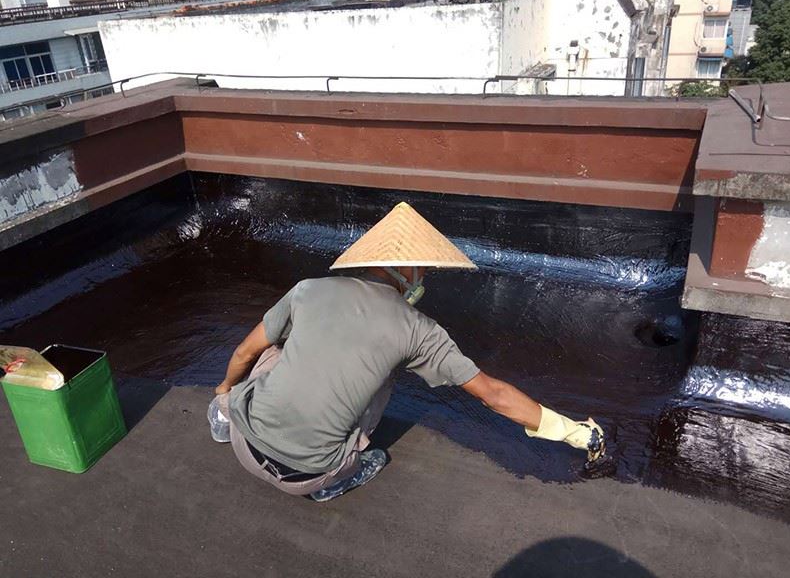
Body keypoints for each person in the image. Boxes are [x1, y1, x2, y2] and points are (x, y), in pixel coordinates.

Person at [208, 202, 605, 502]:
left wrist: (224, 391)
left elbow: (244, 352)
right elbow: (493, 394)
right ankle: (343, 476)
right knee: (381, 378)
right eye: (425, 269)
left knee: (275, 347)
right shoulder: (418, 330)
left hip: (245, 445)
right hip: (308, 477)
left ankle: (223, 416)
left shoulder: (308, 290)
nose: (426, 277)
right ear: (409, 269)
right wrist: (573, 432)